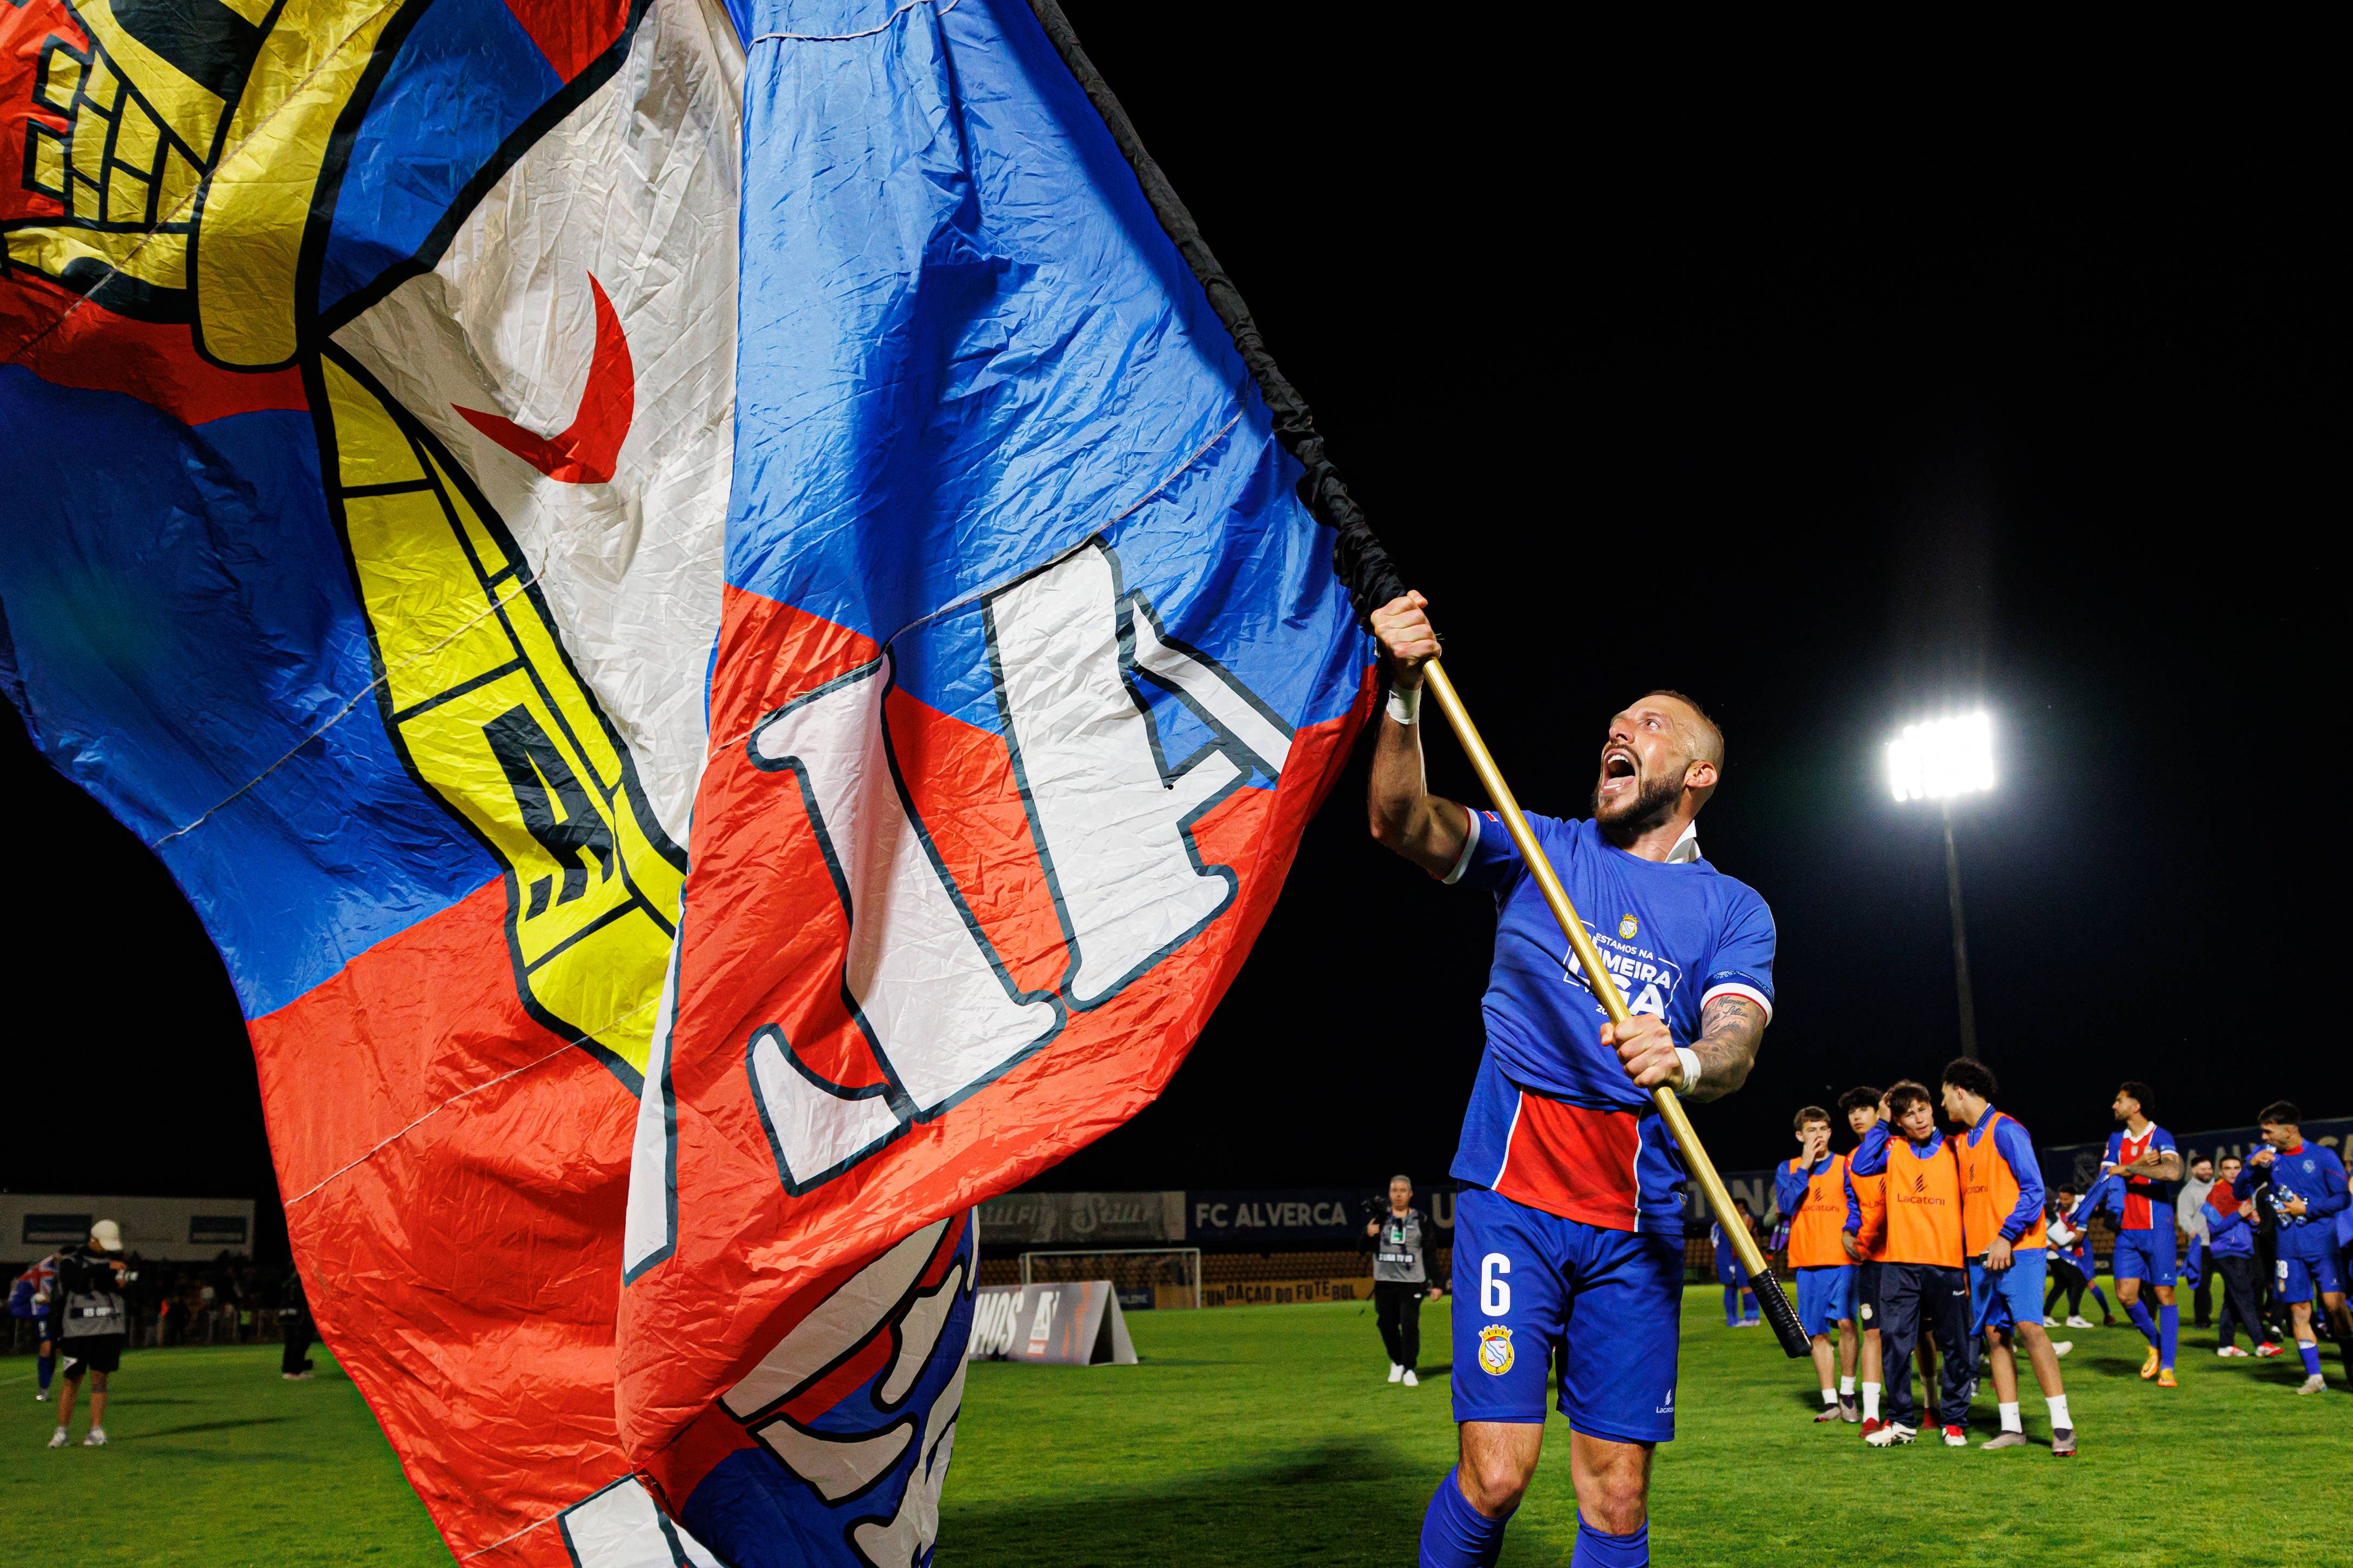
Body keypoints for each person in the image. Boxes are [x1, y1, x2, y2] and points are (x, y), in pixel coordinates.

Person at [1369, 594, 1775, 1568]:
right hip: (1512, 1198)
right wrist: (1402, 694)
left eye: (1649, 725)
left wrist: (1682, 1059)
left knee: (1616, 1494)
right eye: (1615, 723)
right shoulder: (1538, 847)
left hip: (1634, 1222)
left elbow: (1734, 1044)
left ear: (1698, 774)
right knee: (1496, 1473)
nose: (1618, 731)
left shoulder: (1733, 909)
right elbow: (1398, 820)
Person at [1942, 1060, 2075, 1457]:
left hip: (2019, 1250)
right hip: (1979, 1256)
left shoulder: (2006, 1129)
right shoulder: (1963, 1141)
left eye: (1944, 1094)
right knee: (1995, 1335)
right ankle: (2011, 1427)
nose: (1943, 1103)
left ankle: (2063, 1426)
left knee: (2030, 1329)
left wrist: (2005, 1236)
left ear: (1960, 1091)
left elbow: (2035, 1191)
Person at [1847, 1082, 1972, 1448]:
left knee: (1955, 1346)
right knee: (1895, 1342)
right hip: (1900, 1264)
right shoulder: (1892, 1148)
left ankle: (1954, 1421)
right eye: (1908, 1115)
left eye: (1922, 1110)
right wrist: (1882, 1121)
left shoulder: (1954, 1147)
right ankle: (1902, 1420)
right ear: (1898, 1121)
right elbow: (1861, 1166)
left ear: (1932, 1108)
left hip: (1946, 1262)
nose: (1918, 1119)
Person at [2244, 1101, 2349, 1393]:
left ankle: (2350, 1365)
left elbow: (2342, 1198)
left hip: (2323, 1245)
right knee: (2299, 1311)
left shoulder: (2323, 1156)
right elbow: (2240, 1188)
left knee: (2336, 1308)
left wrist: (2307, 1209)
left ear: (2289, 1130)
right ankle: (2315, 1377)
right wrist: (2250, 1166)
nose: (2264, 1137)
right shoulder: (2268, 1159)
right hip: (2288, 1249)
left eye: (2268, 1131)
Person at [1774, 1105, 1858, 1421]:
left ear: (1831, 1132)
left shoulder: (1845, 1164)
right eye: (1812, 1130)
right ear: (1800, 1135)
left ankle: (1848, 1393)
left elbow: (1856, 1207)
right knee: (1818, 1335)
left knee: (1847, 1325)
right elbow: (1786, 1205)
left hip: (1843, 1260)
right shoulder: (1788, 1168)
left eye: (1823, 1129)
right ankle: (1830, 1401)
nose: (1818, 1136)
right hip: (1807, 1261)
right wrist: (1805, 1167)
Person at [2098, 1082, 2182, 1386]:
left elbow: (2172, 1172)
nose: (2114, 1106)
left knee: (2164, 1294)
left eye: (2119, 1101)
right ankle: (2156, 1343)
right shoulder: (2115, 1139)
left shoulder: (2161, 1136)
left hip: (2158, 1228)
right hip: (2127, 1231)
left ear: (2136, 1106)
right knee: (2125, 1295)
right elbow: (2106, 1176)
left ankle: (2168, 1367)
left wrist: (2128, 1169)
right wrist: (2137, 1165)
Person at [48, 1219, 132, 1449]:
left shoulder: (117, 1262)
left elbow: (122, 1292)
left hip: (109, 1329)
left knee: (100, 1379)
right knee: (72, 1380)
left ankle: (96, 1430)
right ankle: (62, 1431)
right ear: (93, 1239)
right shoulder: (71, 1261)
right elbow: (76, 1282)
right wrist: (105, 1269)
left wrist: (123, 1284)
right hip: (77, 1331)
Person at [1369, 1175, 1440, 1388]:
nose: (1398, 1195)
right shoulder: (1380, 1219)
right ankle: (1398, 1361)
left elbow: (1430, 1252)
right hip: (1385, 1281)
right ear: (1389, 1194)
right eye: (1395, 1190)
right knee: (1386, 1324)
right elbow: (1361, 1247)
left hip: (1412, 1281)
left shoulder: (1421, 1220)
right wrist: (1368, 1234)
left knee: (1409, 1324)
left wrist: (1437, 1283)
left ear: (1410, 1194)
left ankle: (1409, 1368)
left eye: (1403, 1191)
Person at [2205, 1155, 2275, 1357]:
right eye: (2228, 1168)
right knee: (2245, 1297)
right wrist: (2239, 1215)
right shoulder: (2217, 1193)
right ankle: (2261, 1343)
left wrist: (2253, 1221)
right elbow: (2214, 1227)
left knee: (2232, 1298)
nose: (2233, 1172)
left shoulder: (2240, 1192)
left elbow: (2243, 1224)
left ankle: (2226, 1345)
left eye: (2237, 1168)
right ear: (2221, 1172)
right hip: (2228, 1251)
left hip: (2241, 1250)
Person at [2041, 1187, 2113, 1328]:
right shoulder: (2056, 1207)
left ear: (2073, 1198)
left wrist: (2094, 1203)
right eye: (2061, 1198)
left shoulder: (2080, 1208)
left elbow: (2088, 1198)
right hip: (2065, 1250)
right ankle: (2073, 1315)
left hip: (2081, 1250)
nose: (2062, 1202)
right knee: (2068, 1282)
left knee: (2088, 1282)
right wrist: (2052, 1244)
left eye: (2066, 1199)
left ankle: (2107, 1314)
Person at [9, 1252, 61, 1401]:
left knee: (56, 1351)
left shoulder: (62, 1273)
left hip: (60, 1314)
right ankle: (43, 1391)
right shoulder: (37, 1274)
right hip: (44, 1315)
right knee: (47, 1347)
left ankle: (46, 1386)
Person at [2177, 1156, 2216, 1329]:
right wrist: (2192, 1231)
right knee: (2202, 1284)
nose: (2207, 1172)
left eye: (2209, 1168)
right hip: (2203, 1244)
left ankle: (2235, 1316)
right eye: (2203, 1169)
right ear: (2193, 1171)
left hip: (2224, 1241)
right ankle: (2202, 1318)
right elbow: (2184, 1216)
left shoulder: (2219, 1186)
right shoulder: (2188, 1192)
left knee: (2234, 1282)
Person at [1710, 1202, 1762, 1328]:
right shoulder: (1720, 1226)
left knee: (1742, 1287)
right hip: (1727, 1259)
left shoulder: (1729, 1224)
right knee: (1730, 1287)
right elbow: (1716, 1243)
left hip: (1734, 1258)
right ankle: (1733, 1319)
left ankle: (1748, 1318)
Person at [280, 1262, 317, 1380]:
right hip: (299, 1317)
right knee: (300, 1343)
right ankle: (295, 1370)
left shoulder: (288, 1282)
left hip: (288, 1316)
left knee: (291, 1342)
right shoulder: (300, 1282)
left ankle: (291, 1369)